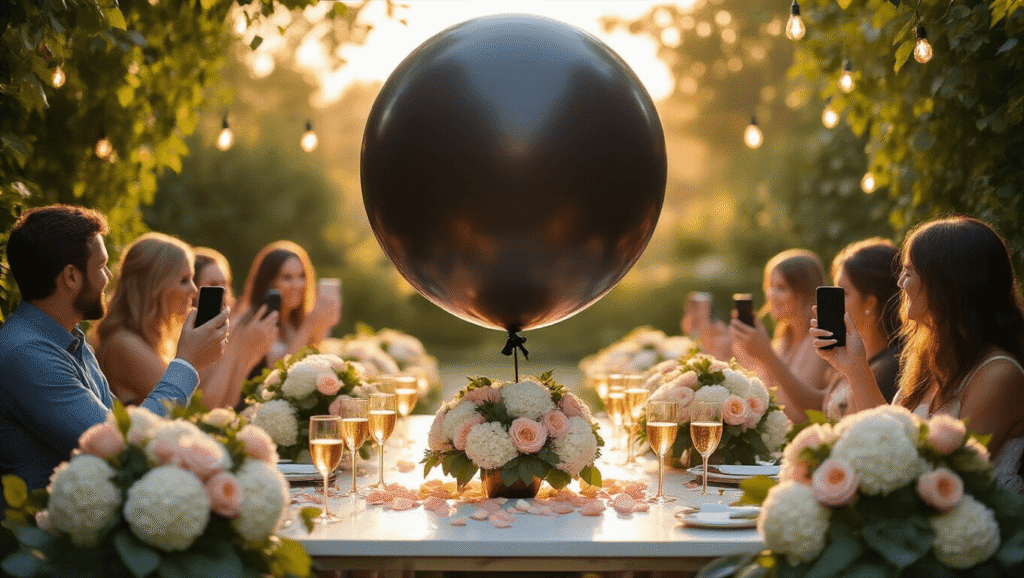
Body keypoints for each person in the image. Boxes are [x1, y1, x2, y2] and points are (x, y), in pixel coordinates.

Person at [0, 205, 228, 492]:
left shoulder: (69, 339)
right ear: (71, 277)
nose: (109, 276)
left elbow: (121, 422)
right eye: (101, 266)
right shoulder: (28, 354)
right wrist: (188, 363)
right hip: (44, 529)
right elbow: (121, 446)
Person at [813, 216, 1024, 492]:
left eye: (909, 272)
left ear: (947, 283)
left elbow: (945, 480)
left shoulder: (999, 374)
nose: (900, 283)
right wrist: (854, 367)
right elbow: (887, 436)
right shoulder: (929, 361)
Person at [95, 233, 201, 405]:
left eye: (192, 279)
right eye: (184, 280)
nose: (194, 290)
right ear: (154, 286)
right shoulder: (123, 342)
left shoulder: (151, 340)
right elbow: (180, 407)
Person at [727, 249, 833, 423]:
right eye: (770, 286)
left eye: (781, 288)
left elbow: (800, 415)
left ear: (805, 293)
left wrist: (767, 356)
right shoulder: (783, 339)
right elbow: (766, 392)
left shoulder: (820, 341)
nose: (771, 295)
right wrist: (747, 353)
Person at [820, 238, 903, 420]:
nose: (836, 301)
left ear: (870, 303)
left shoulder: (890, 368)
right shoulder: (855, 353)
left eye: (844, 292)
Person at [237, 241, 340, 375]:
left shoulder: (293, 321)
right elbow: (278, 375)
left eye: (301, 276)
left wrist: (322, 327)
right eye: (287, 278)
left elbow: (309, 361)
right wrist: (308, 326)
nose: (297, 285)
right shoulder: (255, 321)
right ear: (269, 282)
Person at [193, 247, 278, 408]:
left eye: (225, 283)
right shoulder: (194, 337)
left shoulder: (229, 328)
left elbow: (230, 403)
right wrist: (236, 343)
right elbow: (207, 405)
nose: (223, 291)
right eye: (213, 284)